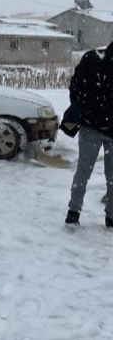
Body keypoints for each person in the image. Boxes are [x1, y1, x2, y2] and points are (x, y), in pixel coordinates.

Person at [65, 42, 113, 227]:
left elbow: (75, 86)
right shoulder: (92, 58)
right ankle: (111, 217)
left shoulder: (92, 57)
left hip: (91, 125)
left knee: (83, 171)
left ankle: (73, 212)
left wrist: (84, 109)